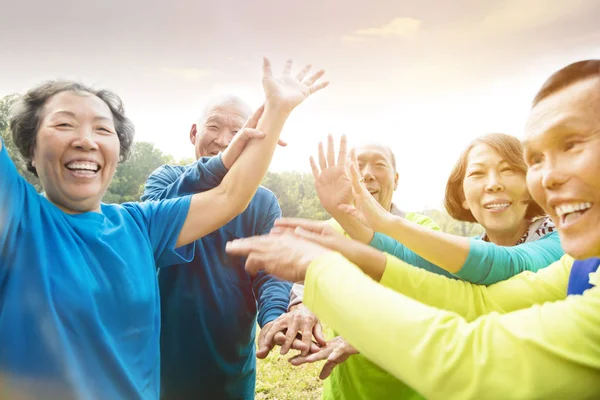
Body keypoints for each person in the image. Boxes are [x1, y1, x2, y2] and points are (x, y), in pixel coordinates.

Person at [225, 59, 600, 399]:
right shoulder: (581, 262)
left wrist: (330, 262)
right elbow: (477, 301)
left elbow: (473, 350)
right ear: (463, 197)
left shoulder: (559, 247)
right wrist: (352, 243)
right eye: (536, 159)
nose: (548, 176)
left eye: (572, 144)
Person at [0, 58, 328, 399]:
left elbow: (233, 197)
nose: (86, 140)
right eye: (64, 124)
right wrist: (228, 157)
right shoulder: (18, 221)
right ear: (30, 148)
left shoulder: (138, 225)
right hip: (169, 372)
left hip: (227, 367)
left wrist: (278, 111)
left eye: (102, 129)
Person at [277, 132, 563, 399]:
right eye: (477, 173)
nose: (493, 183)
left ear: (532, 183)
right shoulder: (471, 248)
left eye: (508, 170)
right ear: (462, 194)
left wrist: (381, 223)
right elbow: (420, 269)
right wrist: (346, 218)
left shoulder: (561, 239)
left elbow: (503, 264)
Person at [142, 93, 324, 399]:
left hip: (230, 367)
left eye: (238, 132)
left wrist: (275, 316)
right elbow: (157, 222)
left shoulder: (263, 202)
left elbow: (269, 271)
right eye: (214, 127)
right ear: (193, 133)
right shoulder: (166, 180)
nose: (225, 140)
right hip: (159, 367)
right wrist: (220, 167)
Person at [280, 135, 440, 400]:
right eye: (357, 165)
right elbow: (306, 280)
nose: (367, 174)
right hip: (346, 388)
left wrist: (369, 337)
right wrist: (303, 307)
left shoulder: (422, 230)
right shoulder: (332, 229)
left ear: (396, 179)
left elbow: (435, 297)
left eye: (379, 165)